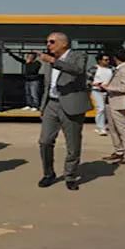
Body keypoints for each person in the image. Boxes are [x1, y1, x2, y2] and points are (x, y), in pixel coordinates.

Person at [35, 32, 93, 190]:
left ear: (64, 43)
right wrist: (43, 107)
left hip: (72, 104)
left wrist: (53, 61)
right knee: (45, 141)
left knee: (72, 144)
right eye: (47, 42)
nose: (48, 45)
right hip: (51, 104)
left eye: (52, 42)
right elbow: (47, 85)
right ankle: (48, 173)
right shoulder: (49, 60)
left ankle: (70, 175)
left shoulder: (78, 55)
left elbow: (78, 70)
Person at [97, 50, 125, 164]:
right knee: (113, 129)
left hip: (119, 103)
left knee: (122, 129)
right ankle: (119, 151)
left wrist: (108, 88)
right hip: (112, 102)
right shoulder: (120, 69)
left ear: (116, 58)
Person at [90, 53, 113, 135]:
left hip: (108, 91)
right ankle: (101, 128)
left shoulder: (111, 69)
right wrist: (95, 84)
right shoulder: (94, 69)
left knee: (107, 110)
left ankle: (99, 126)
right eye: (106, 60)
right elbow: (87, 81)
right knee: (101, 108)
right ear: (100, 61)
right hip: (97, 91)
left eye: (108, 59)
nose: (108, 61)